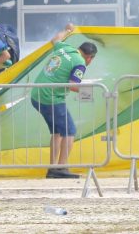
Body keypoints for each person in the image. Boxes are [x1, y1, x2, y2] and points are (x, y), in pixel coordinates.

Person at [29, 24, 98, 179]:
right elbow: (73, 86)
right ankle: (62, 168)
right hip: (51, 98)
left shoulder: (65, 48)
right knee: (70, 131)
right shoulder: (80, 62)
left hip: (37, 95)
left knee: (58, 132)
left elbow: (55, 39)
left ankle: (53, 167)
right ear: (90, 57)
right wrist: (89, 90)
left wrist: (67, 30)